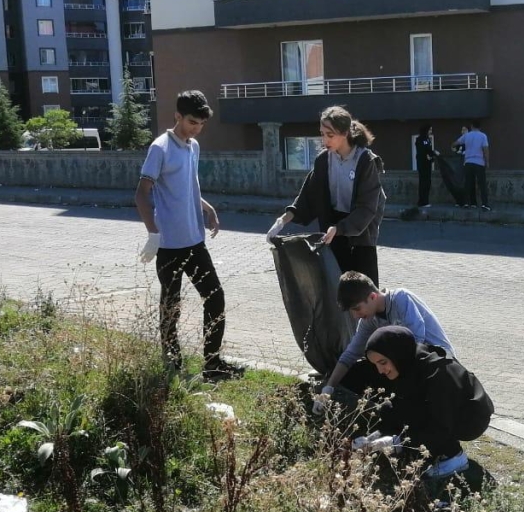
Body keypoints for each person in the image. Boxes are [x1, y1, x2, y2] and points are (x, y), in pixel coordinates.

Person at [135, 90, 240, 381]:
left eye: (201, 124)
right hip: (169, 246)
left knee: (215, 298)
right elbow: (141, 194)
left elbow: (187, 185)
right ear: (177, 117)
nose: (196, 128)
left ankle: (213, 365)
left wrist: (206, 207)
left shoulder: (193, 146)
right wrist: (153, 234)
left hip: (195, 242)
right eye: (192, 122)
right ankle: (172, 362)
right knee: (172, 306)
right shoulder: (160, 148)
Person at [267, 105, 386, 285]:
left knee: (363, 293)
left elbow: (367, 208)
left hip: (360, 233)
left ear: (345, 133)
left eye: (330, 135)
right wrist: (283, 220)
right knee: (337, 289)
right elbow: (308, 195)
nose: (325, 140)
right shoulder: (323, 159)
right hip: (332, 231)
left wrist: (340, 228)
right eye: (322, 134)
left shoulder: (365, 161)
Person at [363, 325, 494, 481]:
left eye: (383, 362)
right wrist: (377, 436)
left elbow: (440, 424)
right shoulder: (408, 363)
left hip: (470, 418)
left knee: (417, 416)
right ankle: (417, 447)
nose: (380, 370)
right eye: (376, 364)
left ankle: (454, 456)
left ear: (396, 354)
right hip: (444, 412)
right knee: (388, 408)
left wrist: (398, 442)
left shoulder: (437, 373)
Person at [316, 271, 453, 401]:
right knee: (355, 373)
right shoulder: (368, 320)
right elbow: (351, 354)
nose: (355, 316)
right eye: (352, 311)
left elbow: (416, 342)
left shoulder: (400, 298)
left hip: (438, 362)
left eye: (357, 308)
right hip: (406, 363)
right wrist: (329, 388)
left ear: (373, 297)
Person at [458, 122, 491, 210]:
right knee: (482, 184)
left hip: (468, 162)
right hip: (479, 162)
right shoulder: (483, 136)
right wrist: (487, 161)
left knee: (468, 183)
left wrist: (455, 148)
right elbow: (485, 149)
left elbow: (456, 143)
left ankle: (466, 203)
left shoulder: (467, 135)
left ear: (472, 126)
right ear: (480, 127)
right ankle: (484, 204)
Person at [414, 124, 438, 208]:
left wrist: (433, 154)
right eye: (429, 130)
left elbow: (429, 150)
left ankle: (425, 200)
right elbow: (424, 150)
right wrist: (431, 153)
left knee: (427, 182)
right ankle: (422, 202)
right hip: (422, 164)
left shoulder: (428, 139)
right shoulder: (420, 139)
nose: (431, 131)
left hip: (427, 164)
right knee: (423, 182)